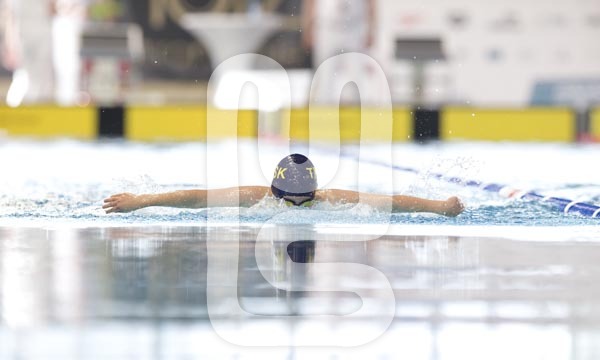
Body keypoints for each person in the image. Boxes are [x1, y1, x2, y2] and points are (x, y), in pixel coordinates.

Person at [103, 154, 465, 217]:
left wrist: (439, 207)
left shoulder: (329, 200)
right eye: (289, 201)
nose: (296, 207)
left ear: (313, 195)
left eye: (302, 202)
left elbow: (390, 202)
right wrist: (141, 200)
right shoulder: (254, 197)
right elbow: (197, 198)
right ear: (274, 193)